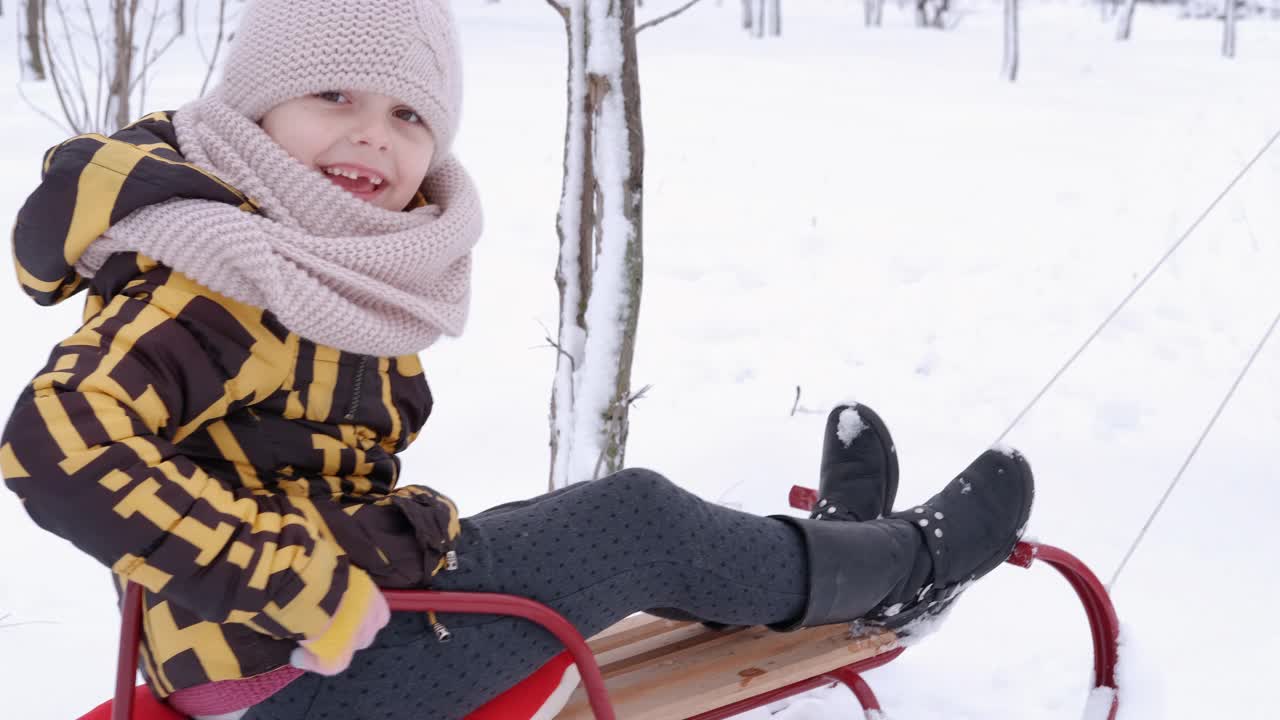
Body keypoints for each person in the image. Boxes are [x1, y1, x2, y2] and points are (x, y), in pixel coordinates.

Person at [0, 1, 1034, 718]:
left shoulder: (302, 256)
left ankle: (823, 562)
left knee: (580, 535)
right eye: (333, 97)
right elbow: (53, 442)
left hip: (331, 643)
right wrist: (289, 579)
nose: (373, 137)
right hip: (306, 681)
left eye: (409, 114)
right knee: (628, 522)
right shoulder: (216, 276)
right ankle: (905, 567)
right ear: (253, 111)